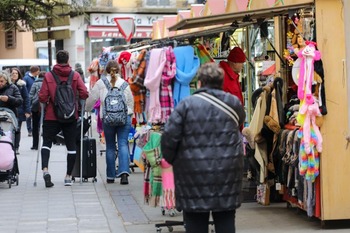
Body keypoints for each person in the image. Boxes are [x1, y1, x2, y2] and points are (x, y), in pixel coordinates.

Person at [160, 63, 246, 233]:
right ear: (221, 83)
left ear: (200, 83)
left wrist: (171, 159)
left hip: (192, 175)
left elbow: (169, 137)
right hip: (227, 173)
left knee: (195, 221)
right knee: (226, 218)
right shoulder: (233, 103)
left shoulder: (186, 105)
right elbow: (240, 121)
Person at [38, 50, 88, 188]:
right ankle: (68, 176)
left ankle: (46, 170)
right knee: (71, 145)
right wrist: (78, 102)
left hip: (51, 115)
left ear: (56, 60)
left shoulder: (49, 75)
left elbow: (42, 96)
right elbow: (84, 92)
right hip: (70, 115)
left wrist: (47, 102)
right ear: (68, 59)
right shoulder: (75, 75)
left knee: (47, 143)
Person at [85, 60, 134, 185]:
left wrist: (86, 109)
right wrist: (129, 114)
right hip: (124, 117)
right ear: (118, 69)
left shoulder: (100, 83)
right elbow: (130, 103)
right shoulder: (124, 84)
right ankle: (124, 174)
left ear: (106, 70)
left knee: (110, 146)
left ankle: (110, 176)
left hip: (107, 119)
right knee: (123, 144)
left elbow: (91, 99)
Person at [10, 68, 31, 154]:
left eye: (16, 73)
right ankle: (10, 146)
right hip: (9, 111)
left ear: (19, 75)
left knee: (17, 130)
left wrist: (27, 111)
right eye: (13, 73)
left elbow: (26, 98)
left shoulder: (22, 85)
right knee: (9, 130)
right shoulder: (6, 84)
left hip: (19, 111)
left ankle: (16, 147)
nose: (14, 75)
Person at [29, 71, 45, 150]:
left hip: (35, 108)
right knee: (46, 126)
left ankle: (35, 145)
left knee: (35, 127)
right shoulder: (47, 84)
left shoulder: (35, 84)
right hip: (46, 108)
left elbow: (30, 96)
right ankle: (45, 144)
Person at [23, 66, 40, 137]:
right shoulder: (26, 78)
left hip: (35, 100)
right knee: (29, 115)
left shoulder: (36, 78)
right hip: (28, 99)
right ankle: (29, 130)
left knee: (36, 115)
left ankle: (36, 129)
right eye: (38, 71)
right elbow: (24, 88)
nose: (39, 72)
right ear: (35, 71)